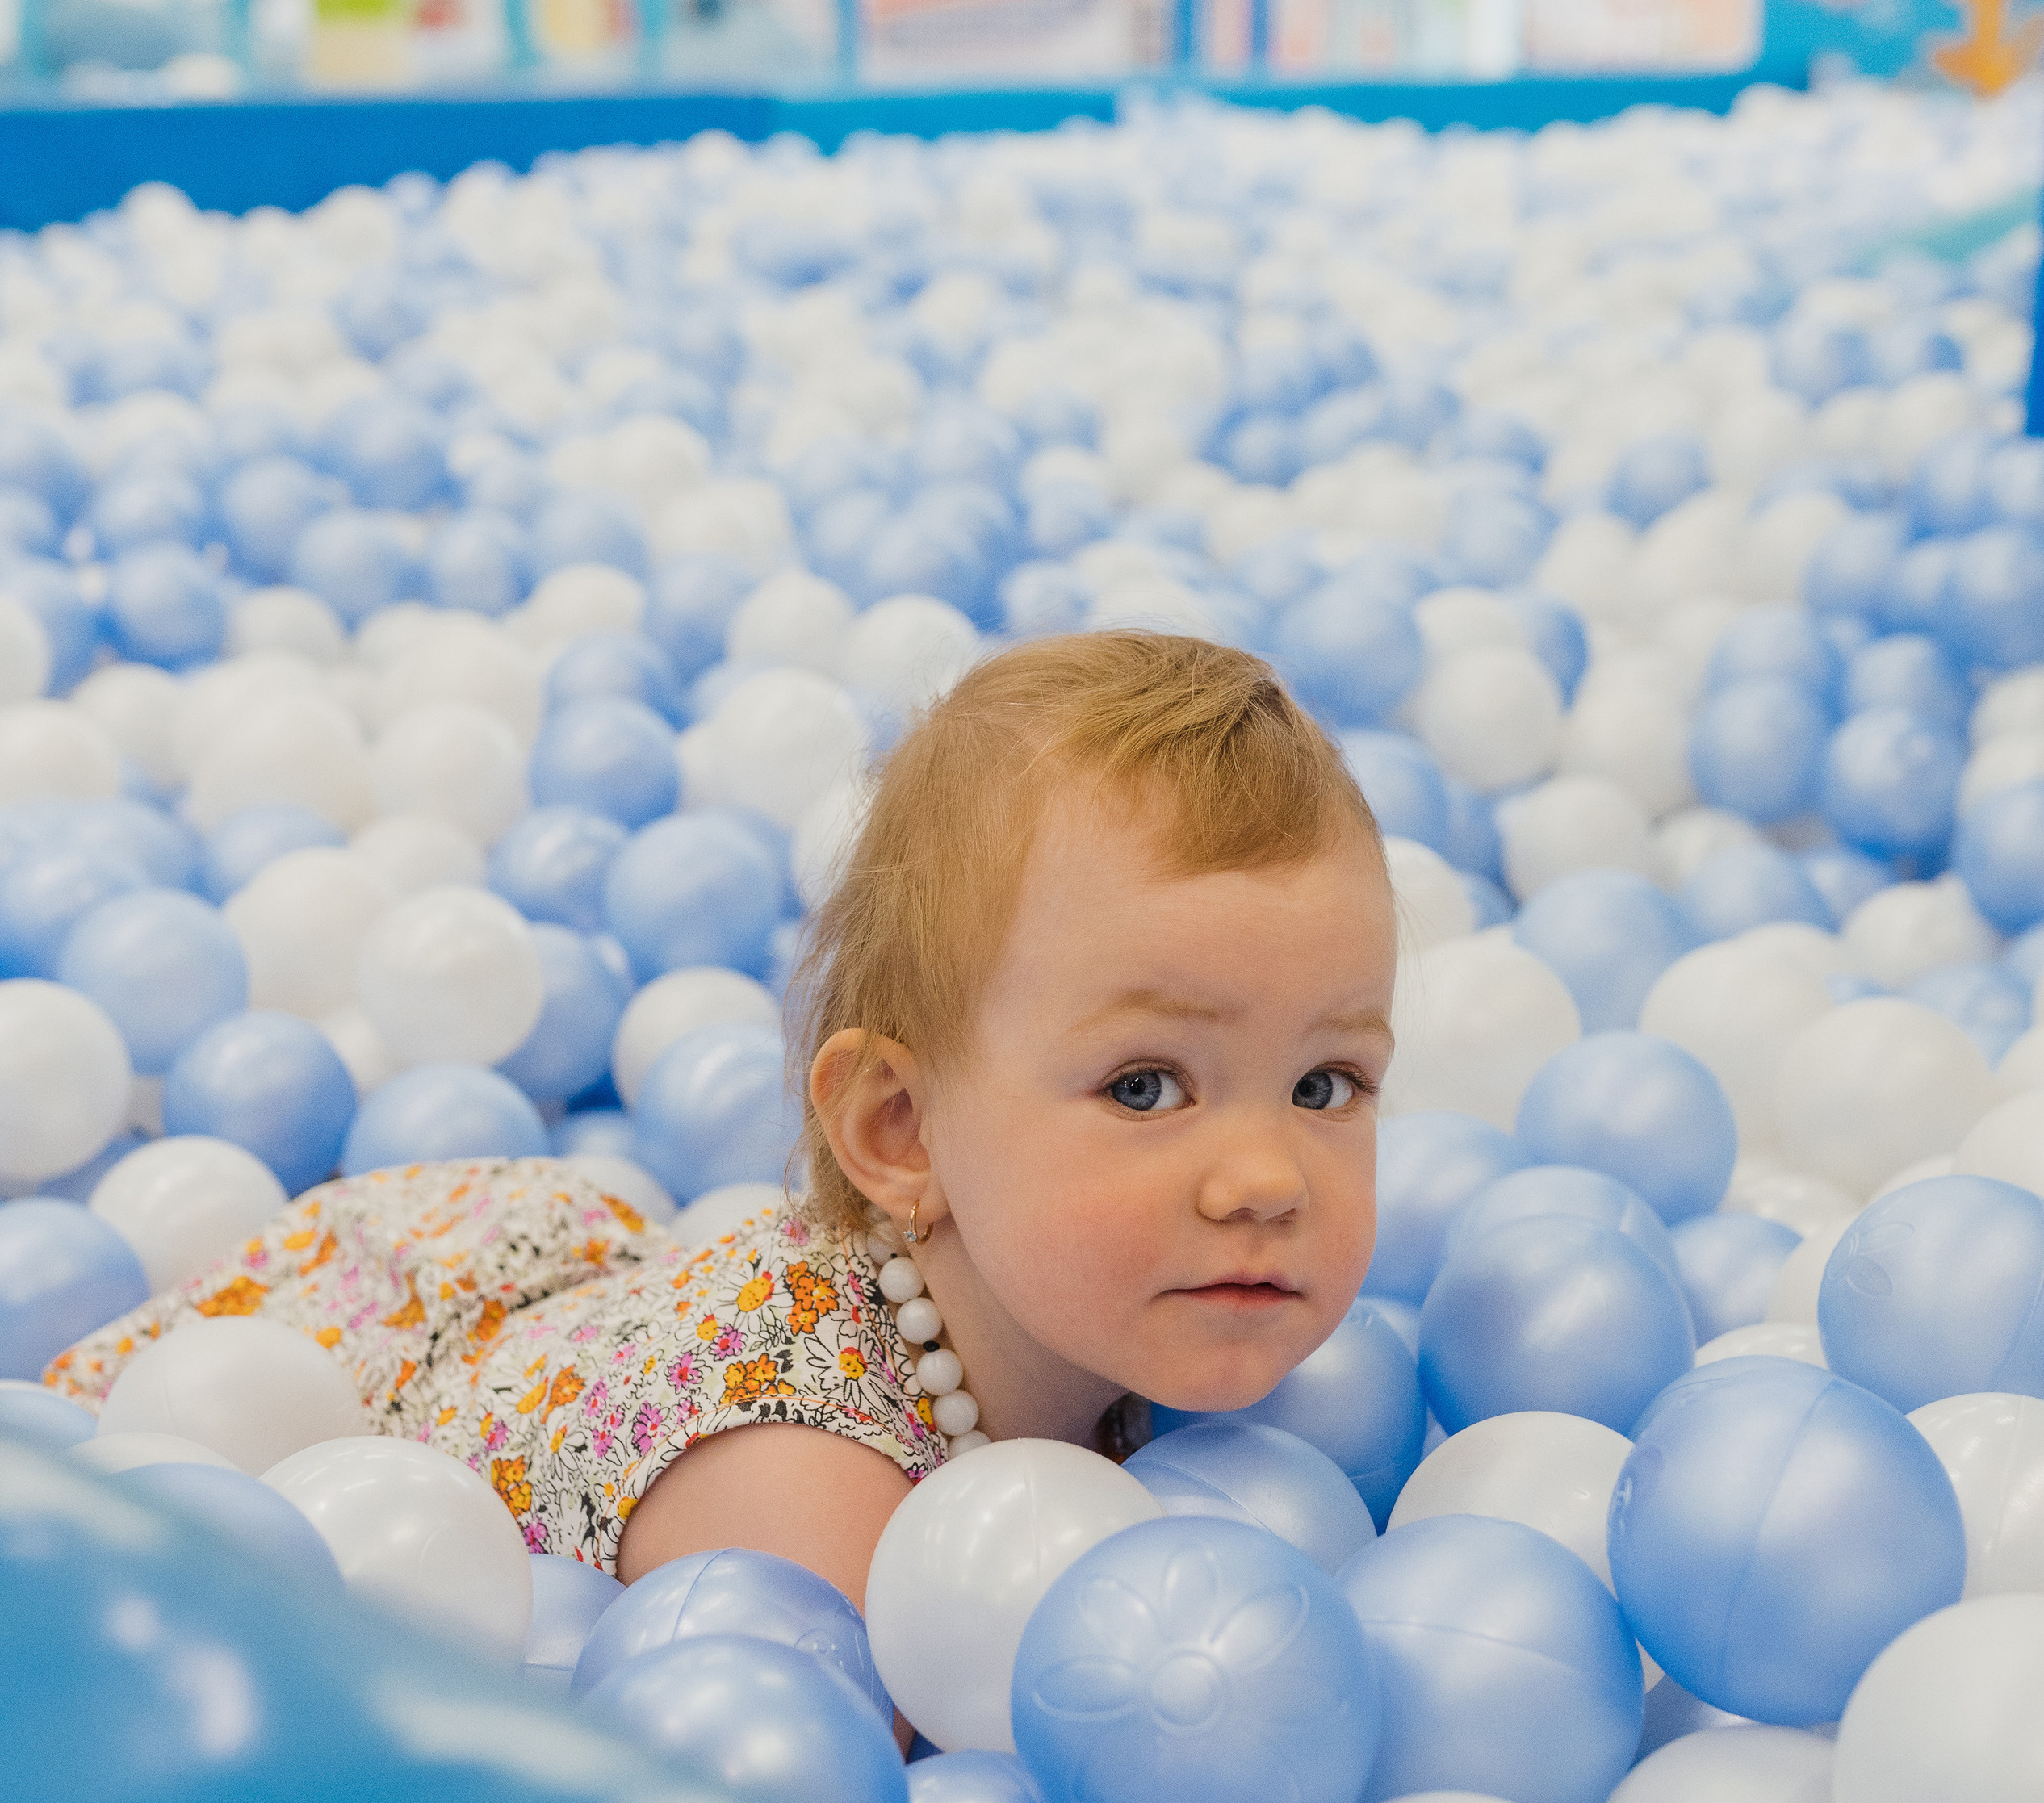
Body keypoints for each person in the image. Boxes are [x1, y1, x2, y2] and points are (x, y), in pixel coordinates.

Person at [44, 631, 1398, 1615]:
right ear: (903, 1131)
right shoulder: (809, 1512)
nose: (1267, 1176)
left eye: (1326, 1084)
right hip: (372, 1378)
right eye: (1146, 1087)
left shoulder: (1126, 1326)